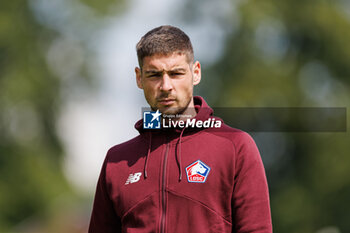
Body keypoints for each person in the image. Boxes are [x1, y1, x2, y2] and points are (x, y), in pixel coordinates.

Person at [88, 25, 272, 233]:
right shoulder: (117, 161)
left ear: (195, 73)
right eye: (154, 75)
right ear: (139, 78)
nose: (165, 86)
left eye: (176, 73)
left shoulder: (235, 146)